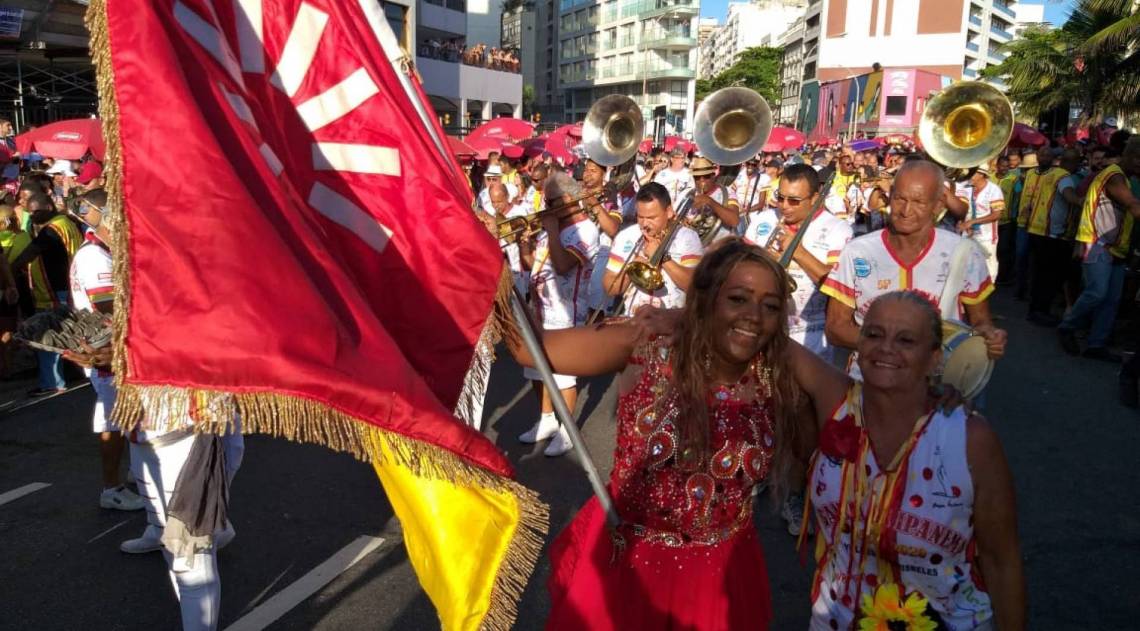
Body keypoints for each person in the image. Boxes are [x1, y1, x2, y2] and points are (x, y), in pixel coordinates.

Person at [509, 239, 806, 630]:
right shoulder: (645, 345)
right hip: (630, 566)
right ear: (706, 299)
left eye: (770, 306)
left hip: (720, 575)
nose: (754, 316)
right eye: (737, 299)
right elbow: (527, 350)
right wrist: (488, 269)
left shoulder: (778, 374)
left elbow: (851, 402)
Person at [62, 189, 242, 630]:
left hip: (191, 420)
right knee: (172, 542)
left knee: (189, 554)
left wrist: (114, 355)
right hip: (147, 419)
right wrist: (105, 354)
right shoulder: (131, 266)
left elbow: (201, 340)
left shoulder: (197, 269)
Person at [801, 291, 1026, 631]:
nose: (886, 347)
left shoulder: (970, 439)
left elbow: (1001, 560)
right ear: (859, 345)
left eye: (906, 340)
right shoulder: (835, 404)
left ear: (935, 358)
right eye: (874, 334)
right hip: (835, 620)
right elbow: (765, 336)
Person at [822, 161, 1007, 375]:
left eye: (919, 201)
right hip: (867, 384)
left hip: (938, 387)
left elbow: (981, 322)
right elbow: (835, 328)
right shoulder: (857, 251)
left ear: (938, 205)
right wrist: (895, 349)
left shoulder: (965, 253)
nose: (906, 211)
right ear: (890, 195)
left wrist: (990, 337)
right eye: (900, 198)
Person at [64, 190, 147, 512]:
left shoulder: (106, 251)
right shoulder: (95, 256)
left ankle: (133, 476)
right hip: (107, 351)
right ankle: (113, 487)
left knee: (119, 419)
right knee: (120, 420)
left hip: (113, 349)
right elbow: (109, 308)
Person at [516, 172, 599, 457]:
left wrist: (551, 229)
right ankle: (547, 420)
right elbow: (532, 265)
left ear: (566, 200)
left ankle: (568, 430)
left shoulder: (585, 230)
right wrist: (523, 244)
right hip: (540, 310)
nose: (545, 207)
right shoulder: (552, 227)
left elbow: (563, 266)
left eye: (549, 201)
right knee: (536, 369)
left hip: (566, 313)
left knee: (563, 375)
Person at [1059, 136, 1140, 358]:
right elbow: (1133, 206)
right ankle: (1067, 327)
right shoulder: (1114, 177)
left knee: (1111, 300)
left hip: (1115, 247)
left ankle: (1096, 344)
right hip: (1096, 243)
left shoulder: (1124, 177)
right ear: (1133, 158)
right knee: (1097, 292)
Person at [15, 193, 82, 396]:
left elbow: (29, 254)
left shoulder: (52, 229)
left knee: (47, 336)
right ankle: (79, 372)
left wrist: (10, 267)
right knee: (71, 332)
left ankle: (53, 382)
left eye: (36, 211)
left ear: (49, 206)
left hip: (55, 290)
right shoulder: (65, 222)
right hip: (68, 286)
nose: (31, 215)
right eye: (29, 211)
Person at [602, 182, 702, 314]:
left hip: (672, 322)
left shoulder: (688, 237)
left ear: (669, 212)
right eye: (640, 217)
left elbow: (695, 285)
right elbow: (610, 289)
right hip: (633, 319)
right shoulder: (625, 237)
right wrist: (631, 270)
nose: (644, 224)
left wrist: (664, 259)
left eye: (651, 217)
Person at [1026, 150, 1080, 326]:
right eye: (1076, 162)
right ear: (1070, 162)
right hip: (1053, 234)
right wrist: (1083, 201)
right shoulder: (1064, 177)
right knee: (1049, 276)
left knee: (1039, 273)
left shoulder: (1047, 174)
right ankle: (1040, 311)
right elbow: (1069, 195)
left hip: (1036, 229)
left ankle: (1035, 310)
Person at [957, 166, 1005, 280]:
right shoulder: (966, 188)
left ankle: (987, 293)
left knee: (988, 266)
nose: (969, 176)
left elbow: (997, 215)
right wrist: (963, 223)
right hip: (967, 234)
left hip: (986, 237)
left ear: (982, 174)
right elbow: (961, 209)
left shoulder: (994, 190)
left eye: (972, 173)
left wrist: (973, 221)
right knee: (966, 265)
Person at [1012, 149, 1045, 300]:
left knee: (1034, 260)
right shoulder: (1018, 181)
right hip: (1021, 224)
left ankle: (1031, 291)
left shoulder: (1045, 179)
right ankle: (1020, 289)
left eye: (1029, 169)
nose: (1025, 173)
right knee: (1021, 257)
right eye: (1024, 170)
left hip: (1038, 225)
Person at [687, 156, 741, 243]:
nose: (702, 181)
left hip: (723, 247)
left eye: (706, 176)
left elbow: (734, 221)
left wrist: (709, 201)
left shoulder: (727, 192)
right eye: (697, 177)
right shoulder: (689, 195)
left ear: (713, 176)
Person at [995, 153, 1022, 285]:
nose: (1004, 168)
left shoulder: (1014, 179)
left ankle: (1004, 276)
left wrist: (1015, 215)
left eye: (1007, 166)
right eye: (1002, 166)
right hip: (991, 221)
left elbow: (1019, 196)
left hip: (1007, 222)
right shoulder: (989, 179)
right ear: (997, 166)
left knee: (1004, 249)